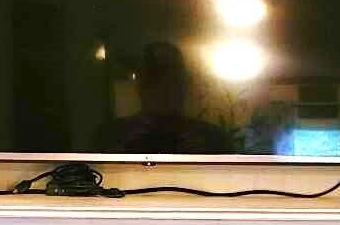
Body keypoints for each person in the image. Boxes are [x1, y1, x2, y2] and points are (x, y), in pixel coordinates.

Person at [95, 40, 235, 155]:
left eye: (173, 79)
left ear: (185, 85)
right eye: (154, 79)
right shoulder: (112, 138)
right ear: (140, 86)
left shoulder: (213, 140)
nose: (164, 87)